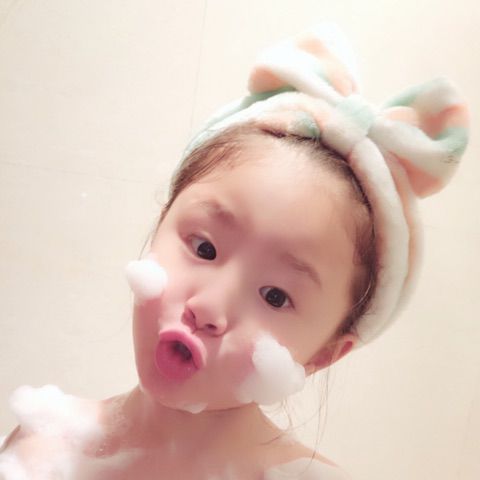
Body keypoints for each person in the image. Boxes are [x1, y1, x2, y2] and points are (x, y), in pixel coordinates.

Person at [0, 24, 469, 480]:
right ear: (161, 225)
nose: (208, 307)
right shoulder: (41, 446)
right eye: (204, 248)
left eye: (275, 296)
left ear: (324, 354)